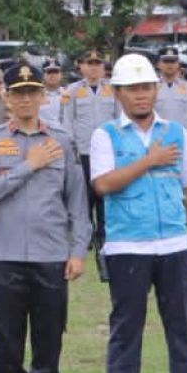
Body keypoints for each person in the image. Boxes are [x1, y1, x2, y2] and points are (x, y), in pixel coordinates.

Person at [89, 53, 187, 373]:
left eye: (146, 87)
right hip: (128, 245)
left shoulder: (175, 133)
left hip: (175, 245)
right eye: (132, 89)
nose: (141, 96)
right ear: (118, 94)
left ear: (156, 90)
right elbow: (103, 184)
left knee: (182, 327)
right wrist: (149, 161)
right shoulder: (106, 135)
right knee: (126, 328)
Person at [0, 62, 88, 373]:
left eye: (32, 92)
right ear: (7, 97)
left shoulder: (62, 140)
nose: (25, 99)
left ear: (42, 96)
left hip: (50, 253)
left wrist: (79, 250)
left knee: (49, 333)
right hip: (5, 254)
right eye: (17, 93)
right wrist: (29, 165)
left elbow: (77, 201)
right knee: (7, 335)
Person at [61, 51, 117, 277]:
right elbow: (67, 122)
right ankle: (82, 243)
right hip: (82, 152)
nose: (94, 68)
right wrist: (71, 148)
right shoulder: (72, 91)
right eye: (89, 64)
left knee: (106, 200)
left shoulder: (113, 89)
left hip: (106, 153)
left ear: (103, 67)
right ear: (81, 66)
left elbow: (119, 119)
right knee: (82, 200)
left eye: (98, 64)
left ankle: (105, 242)